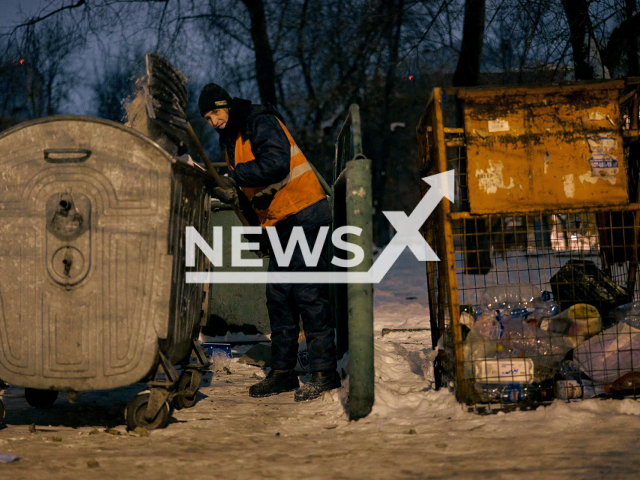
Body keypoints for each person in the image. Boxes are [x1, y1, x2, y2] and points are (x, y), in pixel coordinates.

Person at [198, 83, 340, 401]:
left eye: (215, 113)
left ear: (228, 106)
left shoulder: (259, 121)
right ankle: (283, 374)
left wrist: (234, 176)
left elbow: (276, 164)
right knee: (278, 299)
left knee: (307, 295)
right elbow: (251, 194)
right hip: (279, 222)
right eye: (206, 118)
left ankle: (324, 374)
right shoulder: (231, 141)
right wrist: (256, 231)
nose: (212, 122)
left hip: (303, 212)